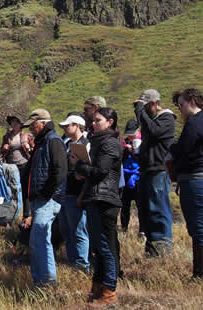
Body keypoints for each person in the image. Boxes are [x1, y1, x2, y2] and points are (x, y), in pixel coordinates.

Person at [71, 107, 123, 306]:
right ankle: (99, 287)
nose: (93, 123)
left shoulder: (110, 143)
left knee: (105, 246)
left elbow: (101, 171)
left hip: (104, 200)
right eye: (93, 120)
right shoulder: (99, 142)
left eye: (98, 120)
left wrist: (79, 166)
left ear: (110, 122)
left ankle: (109, 290)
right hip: (96, 197)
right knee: (98, 246)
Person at [170, 88, 203, 279]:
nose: (180, 109)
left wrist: (169, 145)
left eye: (181, 105)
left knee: (198, 228)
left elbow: (182, 150)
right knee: (196, 227)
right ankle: (200, 273)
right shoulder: (201, 122)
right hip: (195, 179)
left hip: (197, 180)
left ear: (191, 101)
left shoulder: (196, 123)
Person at [23, 109, 67, 286]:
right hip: (40, 198)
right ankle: (42, 280)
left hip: (47, 199)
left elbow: (60, 171)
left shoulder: (53, 141)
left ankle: (47, 281)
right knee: (38, 239)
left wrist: (46, 193)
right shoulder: (43, 142)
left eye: (32, 125)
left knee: (40, 238)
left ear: (41, 123)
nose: (31, 129)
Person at [133, 89, 176, 256]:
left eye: (145, 106)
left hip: (158, 170)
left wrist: (140, 112)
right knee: (146, 210)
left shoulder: (167, 119)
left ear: (153, 103)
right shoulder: (152, 120)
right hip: (146, 170)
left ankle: (163, 248)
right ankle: (152, 248)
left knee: (158, 208)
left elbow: (153, 131)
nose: (142, 111)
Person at [57, 114, 90, 271]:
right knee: (68, 230)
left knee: (78, 230)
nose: (65, 128)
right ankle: (73, 261)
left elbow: (87, 172)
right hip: (66, 191)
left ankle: (82, 264)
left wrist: (82, 195)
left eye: (68, 126)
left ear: (77, 125)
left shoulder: (86, 144)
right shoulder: (69, 143)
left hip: (76, 192)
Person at [1, 115, 33, 224]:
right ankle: (10, 216)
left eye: (16, 122)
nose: (14, 124)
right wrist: (4, 148)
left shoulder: (27, 136)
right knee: (11, 190)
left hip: (24, 164)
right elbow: (2, 151)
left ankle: (26, 215)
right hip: (11, 166)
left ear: (21, 124)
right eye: (12, 122)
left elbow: (33, 149)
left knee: (25, 189)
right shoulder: (7, 136)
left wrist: (29, 147)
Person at [120, 119, 143, 235]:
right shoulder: (125, 141)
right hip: (125, 177)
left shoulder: (143, 141)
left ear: (138, 130)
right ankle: (124, 228)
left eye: (132, 133)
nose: (130, 136)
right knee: (124, 205)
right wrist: (124, 150)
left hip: (138, 177)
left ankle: (142, 231)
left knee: (141, 206)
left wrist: (135, 152)